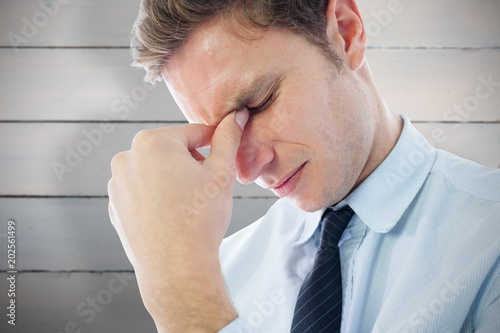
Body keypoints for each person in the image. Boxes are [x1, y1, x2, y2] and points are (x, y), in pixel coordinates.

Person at [107, 0, 500, 332]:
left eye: (258, 105)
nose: (244, 171)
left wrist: (189, 309)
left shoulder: (490, 241)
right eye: (217, 135)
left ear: (346, 33)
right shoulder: (223, 273)